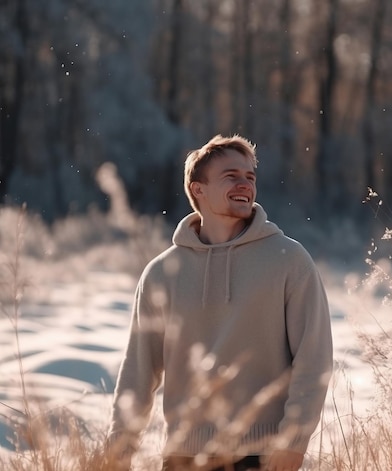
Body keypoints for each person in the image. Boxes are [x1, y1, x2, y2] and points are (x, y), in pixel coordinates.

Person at [106, 134, 334, 471]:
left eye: (250, 177)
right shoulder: (161, 273)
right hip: (182, 457)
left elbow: (313, 359)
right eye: (232, 176)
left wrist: (293, 443)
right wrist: (119, 450)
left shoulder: (289, 260)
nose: (245, 184)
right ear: (198, 189)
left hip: (262, 455)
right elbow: (138, 371)